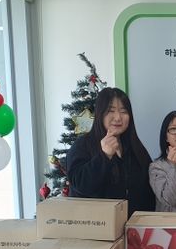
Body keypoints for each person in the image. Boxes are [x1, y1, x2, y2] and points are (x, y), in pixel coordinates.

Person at [66, 87, 154, 216]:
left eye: (123, 111)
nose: (118, 117)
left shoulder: (135, 146)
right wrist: (104, 156)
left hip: (134, 225)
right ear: (100, 114)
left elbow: (148, 191)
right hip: (97, 224)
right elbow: (80, 186)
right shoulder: (83, 145)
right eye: (110, 111)